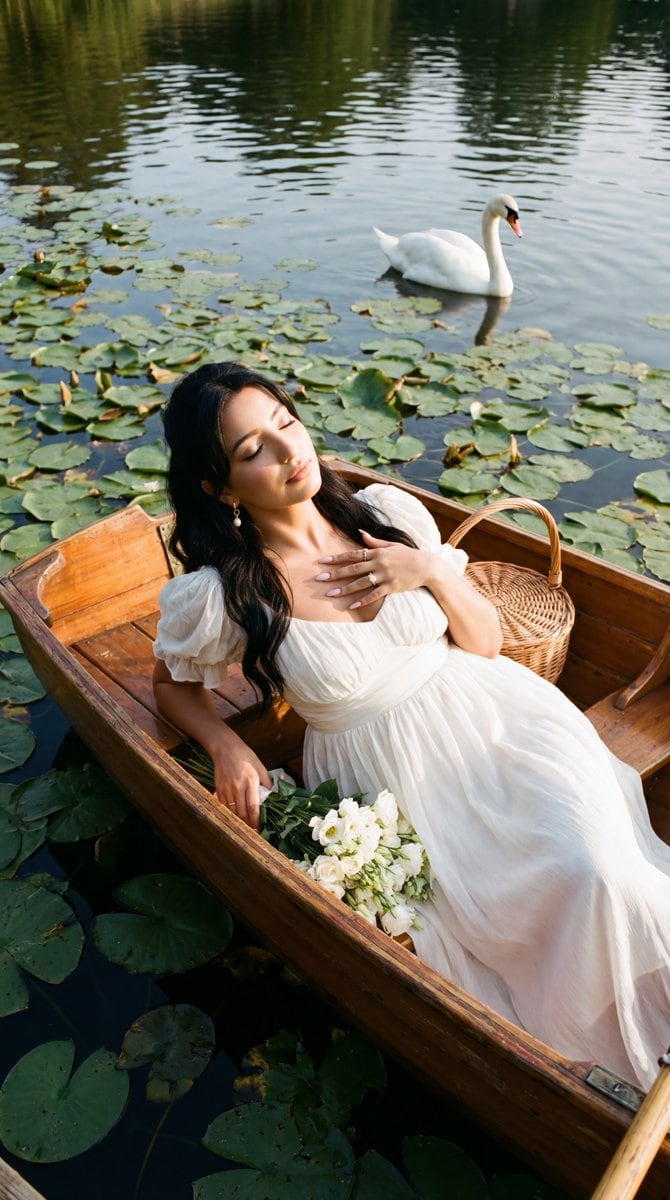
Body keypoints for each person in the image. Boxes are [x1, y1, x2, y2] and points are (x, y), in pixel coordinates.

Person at [153, 361, 670, 1091]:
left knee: (608, 873)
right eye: (251, 451)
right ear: (221, 488)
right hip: (394, 777)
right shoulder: (229, 593)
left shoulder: (389, 515)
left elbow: (485, 641)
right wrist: (227, 742)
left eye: (285, 424)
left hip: (502, 723)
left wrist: (426, 570)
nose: (286, 450)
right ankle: (609, 1070)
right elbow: (169, 687)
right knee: (562, 890)